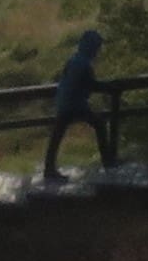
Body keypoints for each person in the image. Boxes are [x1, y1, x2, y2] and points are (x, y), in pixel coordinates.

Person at [42, 28, 114, 181]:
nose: (97, 51)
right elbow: (92, 85)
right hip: (75, 104)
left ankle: (49, 169)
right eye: (96, 47)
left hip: (64, 101)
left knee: (57, 135)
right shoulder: (85, 64)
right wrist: (110, 87)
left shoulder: (74, 59)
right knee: (99, 125)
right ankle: (108, 162)